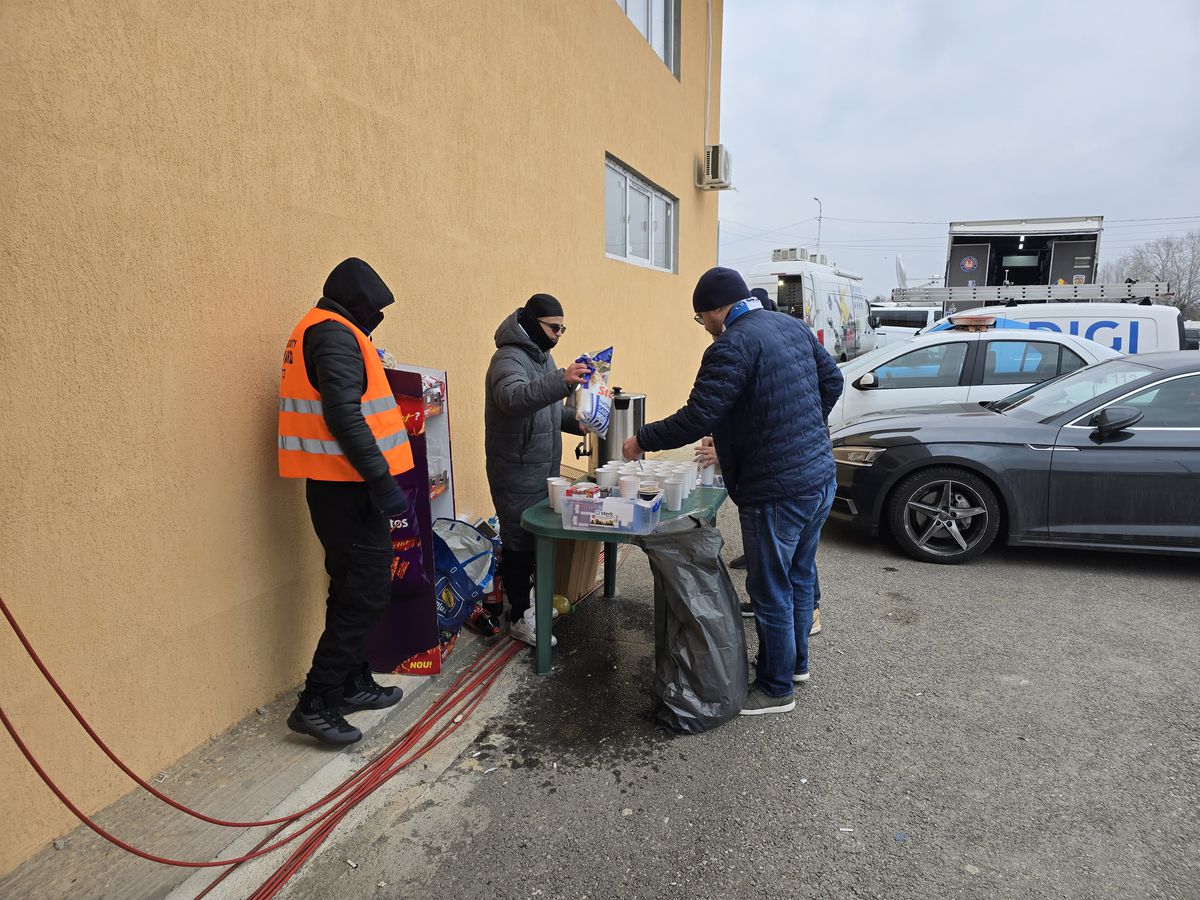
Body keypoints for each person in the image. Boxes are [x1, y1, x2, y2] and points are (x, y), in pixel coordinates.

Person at [624, 267, 843, 715]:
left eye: (702, 317)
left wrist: (641, 439)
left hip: (777, 489)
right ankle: (797, 664)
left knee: (770, 588)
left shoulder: (732, 345)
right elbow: (833, 383)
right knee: (799, 575)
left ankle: (776, 687)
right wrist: (802, 432)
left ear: (718, 310)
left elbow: (698, 415)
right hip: (819, 475)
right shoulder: (791, 326)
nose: (703, 327)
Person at [278, 258, 416, 745]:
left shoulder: (328, 330)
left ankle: (353, 682)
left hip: (342, 484)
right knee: (365, 594)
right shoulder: (334, 334)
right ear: (357, 301)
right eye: (375, 308)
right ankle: (315, 702)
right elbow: (344, 417)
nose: (378, 316)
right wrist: (384, 485)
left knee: (353, 588)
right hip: (348, 488)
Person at [485, 294, 589, 646]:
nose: (558, 334)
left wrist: (580, 422)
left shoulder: (544, 358)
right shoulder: (508, 358)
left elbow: (546, 410)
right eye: (553, 327)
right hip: (515, 468)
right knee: (517, 542)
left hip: (541, 466)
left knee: (535, 539)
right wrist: (562, 379)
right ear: (531, 323)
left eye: (562, 328)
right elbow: (514, 399)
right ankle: (518, 617)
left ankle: (529, 603)